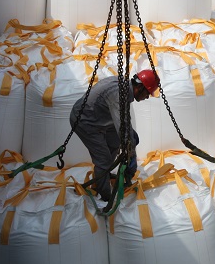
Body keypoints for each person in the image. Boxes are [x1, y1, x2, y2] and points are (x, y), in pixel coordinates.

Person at [69, 70, 160, 202]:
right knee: (103, 159)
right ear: (140, 87)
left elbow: (124, 123)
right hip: (85, 121)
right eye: (147, 93)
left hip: (101, 117)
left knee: (121, 141)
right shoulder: (119, 95)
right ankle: (105, 196)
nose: (147, 97)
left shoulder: (124, 88)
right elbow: (123, 128)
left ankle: (103, 174)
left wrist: (131, 141)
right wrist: (131, 155)